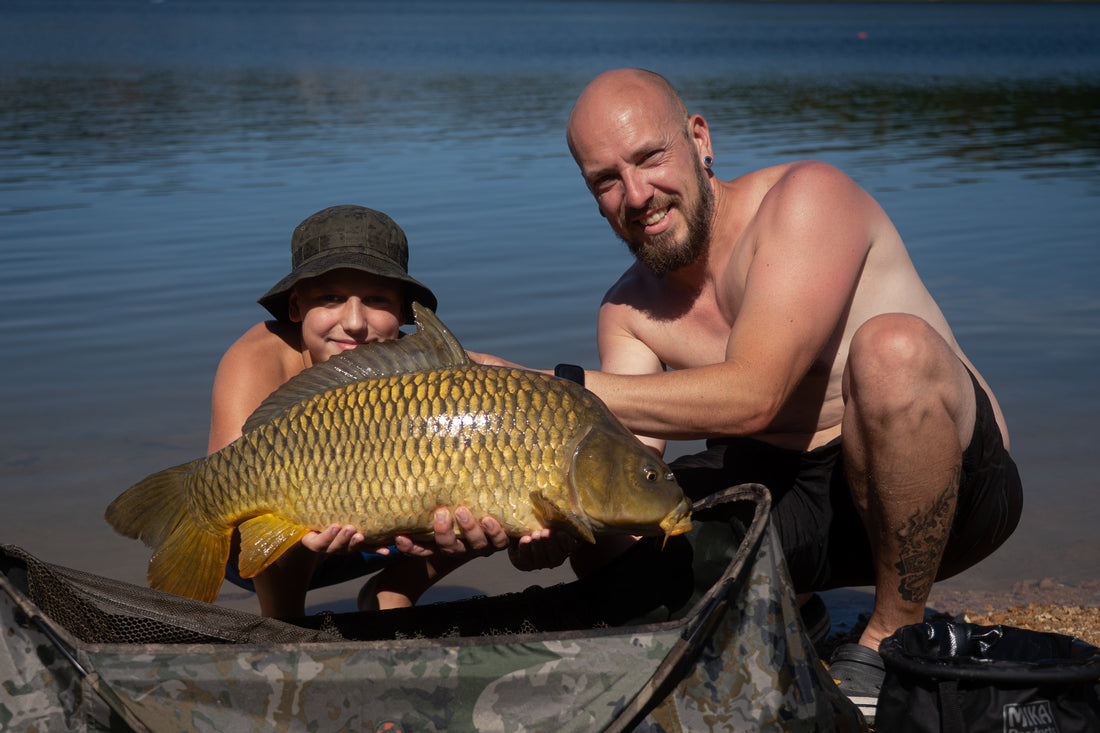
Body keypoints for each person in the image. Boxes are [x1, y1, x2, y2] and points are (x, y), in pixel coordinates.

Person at [470, 68, 1023, 722]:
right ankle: (795, 607)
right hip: (784, 495)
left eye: (650, 158)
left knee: (891, 350)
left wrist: (555, 389)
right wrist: (549, 518)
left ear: (699, 139)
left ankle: (891, 635)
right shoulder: (627, 309)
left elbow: (756, 394)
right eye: (607, 180)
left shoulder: (806, 199)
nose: (637, 194)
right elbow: (626, 457)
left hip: (945, 487)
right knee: (604, 529)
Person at [209, 204, 508, 618]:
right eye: (330, 298)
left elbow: (513, 381)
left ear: (404, 312)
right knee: (262, 496)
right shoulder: (258, 357)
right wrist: (300, 526)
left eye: (375, 299)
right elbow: (226, 489)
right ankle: (283, 623)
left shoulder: (422, 361)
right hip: (276, 545)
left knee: (497, 474)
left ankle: (394, 589)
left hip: (394, 530)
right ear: (296, 307)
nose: (353, 322)